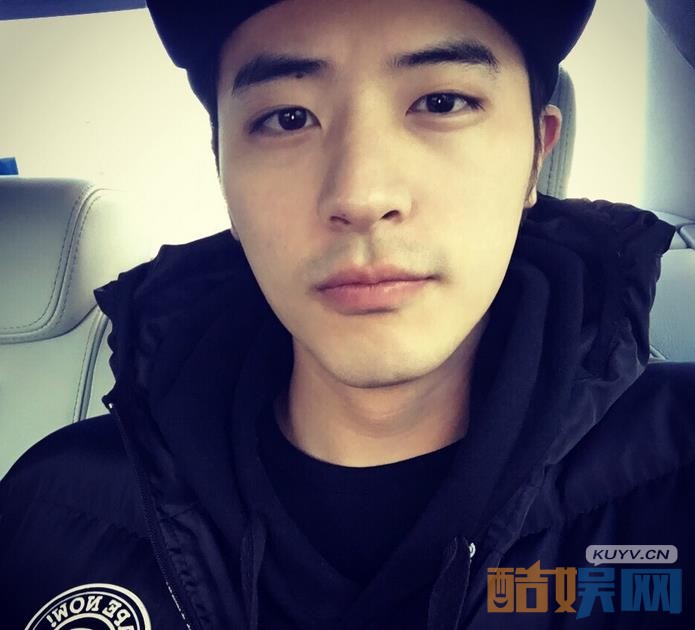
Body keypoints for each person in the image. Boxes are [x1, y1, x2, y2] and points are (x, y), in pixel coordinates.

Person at [1, 0, 694, 628]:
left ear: (535, 155)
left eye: (442, 102)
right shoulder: (50, 510)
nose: (361, 195)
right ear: (222, 172)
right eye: (287, 118)